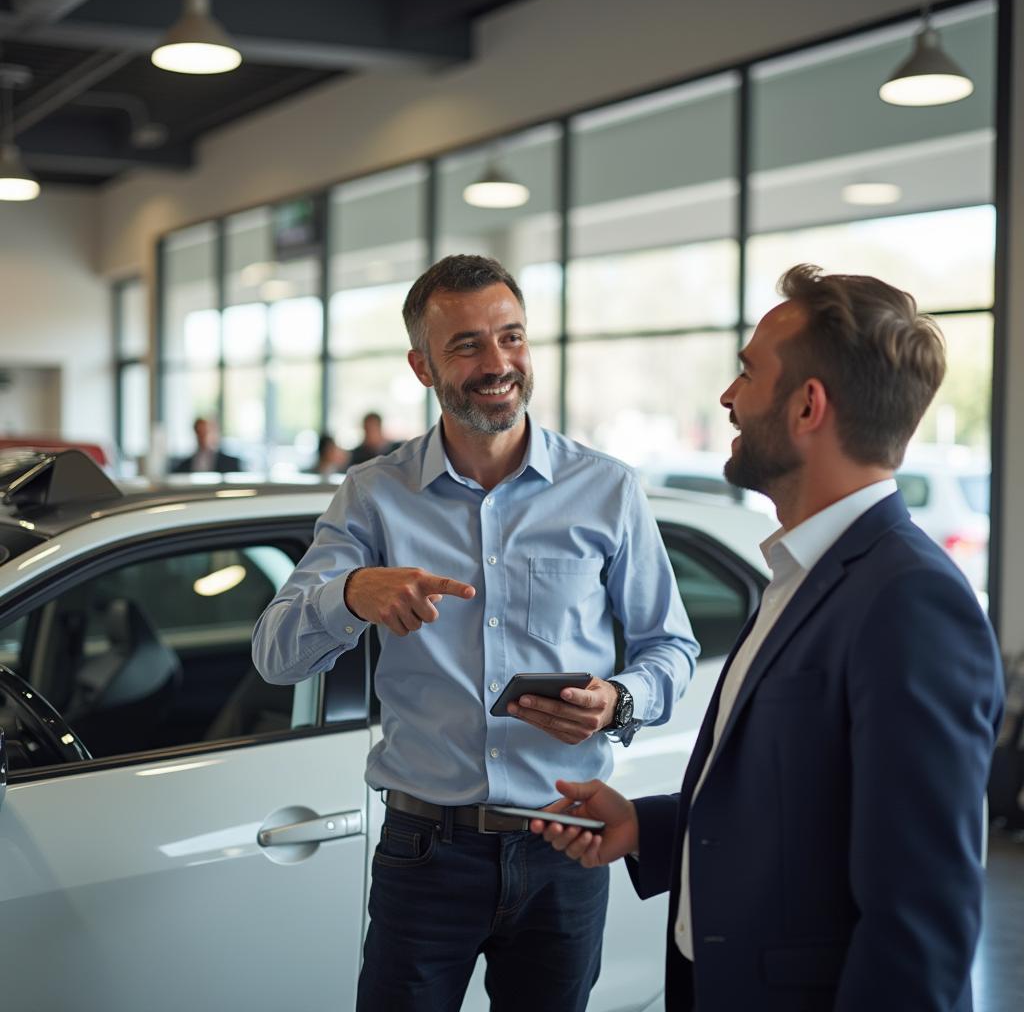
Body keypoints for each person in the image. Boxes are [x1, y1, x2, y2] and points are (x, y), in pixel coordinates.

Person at [531, 264, 1005, 1012]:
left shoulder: (911, 601)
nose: (728, 396)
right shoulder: (802, 570)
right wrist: (645, 827)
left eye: (748, 373)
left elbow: (920, 917)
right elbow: (803, 807)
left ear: (807, 406)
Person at [252, 253, 698, 1012]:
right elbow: (276, 656)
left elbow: (671, 649)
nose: (498, 364)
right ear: (422, 366)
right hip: (425, 852)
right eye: (466, 345)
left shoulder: (608, 489)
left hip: (567, 842)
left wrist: (620, 699)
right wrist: (353, 593)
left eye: (512, 337)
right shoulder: (372, 496)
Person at [170, 417, 241, 473]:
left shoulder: (230, 463)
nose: (203, 437)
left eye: (206, 432)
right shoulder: (184, 465)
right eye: (199, 433)